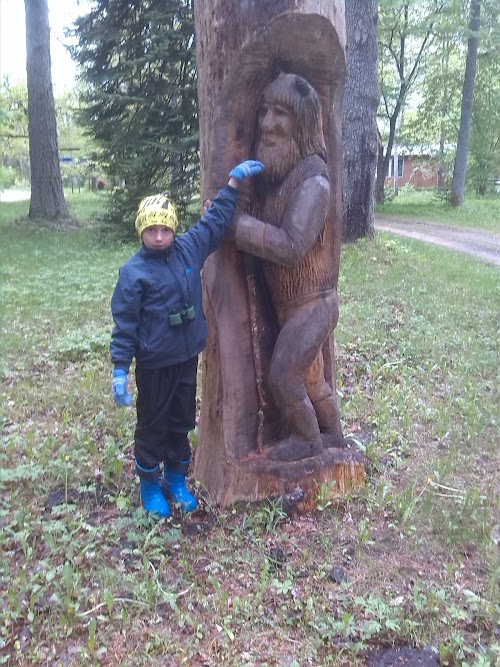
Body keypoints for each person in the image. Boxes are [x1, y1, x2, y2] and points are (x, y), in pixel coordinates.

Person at [110, 160, 264, 517]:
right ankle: (149, 484)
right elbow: (125, 324)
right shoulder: (134, 274)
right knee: (152, 423)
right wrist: (120, 368)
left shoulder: (189, 249)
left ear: (174, 229)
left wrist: (232, 185)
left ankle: (176, 479)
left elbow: (213, 224)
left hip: (185, 358)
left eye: (165, 229)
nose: (160, 236)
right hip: (153, 363)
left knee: (181, 420)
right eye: (152, 230)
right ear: (142, 232)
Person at [233, 72, 343, 461]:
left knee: (285, 375)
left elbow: (293, 245)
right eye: (265, 111)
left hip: (312, 304)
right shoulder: (281, 177)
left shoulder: (315, 181)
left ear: (304, 122)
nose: (267, 123)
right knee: (314, 381)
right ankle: (333, 434)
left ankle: (307, 439)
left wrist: (239, 226)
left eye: (280, 113)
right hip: (290, 305)